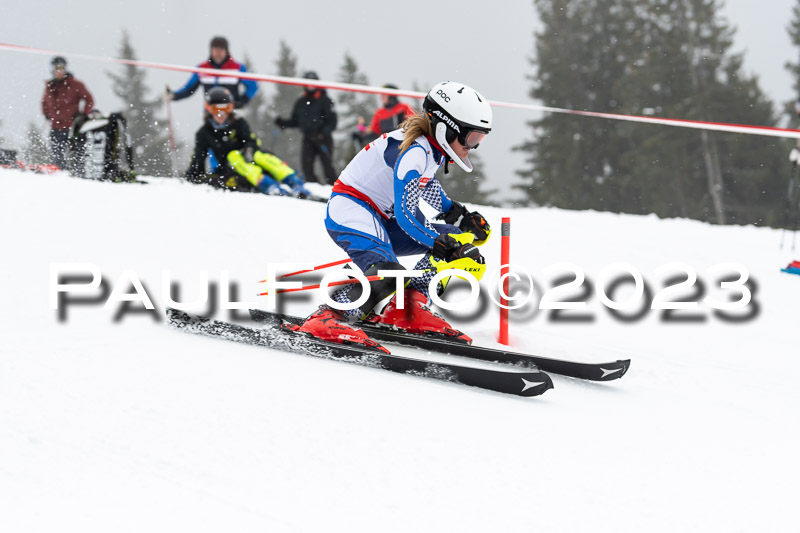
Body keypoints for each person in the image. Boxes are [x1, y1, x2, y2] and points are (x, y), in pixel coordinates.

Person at [288, 81, 493, 351]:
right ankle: (328, 316)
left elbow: (427, 186)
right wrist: (441, 243)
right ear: (445, 127)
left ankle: (408, 307)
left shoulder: (431, 151)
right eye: (471, 138)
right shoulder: (415, 152)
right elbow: (407, 215)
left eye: (480, 139)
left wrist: (459, 218)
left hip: (381, 217)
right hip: (352, 210)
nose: (473, 146)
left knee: (458, 240)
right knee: (389, 271)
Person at [185, 87, 311, 197]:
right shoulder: (205, 133)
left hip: (251, 159)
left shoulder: (238, 123)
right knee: (233, 156)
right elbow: (198, 157)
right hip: (231, 169)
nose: (221, 114)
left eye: (225, 109)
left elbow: (250, 140)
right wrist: (193, 175)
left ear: (231, 109)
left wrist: (249, 149)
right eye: (216, 110)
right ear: (209, 110)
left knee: (260, 155)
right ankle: (269, 186)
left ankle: (294, 182)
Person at [274, 71, 338, 185]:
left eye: (312, 83)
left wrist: (323, 133)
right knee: (306, 166)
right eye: (308, 83)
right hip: (308, 138)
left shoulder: (325, 100)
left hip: (323, 138)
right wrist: (283, 123)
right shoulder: (301, 102)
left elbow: (332, 121)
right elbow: (296, 121)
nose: (310, 86)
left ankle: (333, 188)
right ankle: (314, 187)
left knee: (328, 166)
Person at [167, 36, 258, 109]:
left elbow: (252, 86)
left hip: (231, 114)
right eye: (215, 50)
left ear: (226, 51)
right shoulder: (202, 69)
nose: (218, 53)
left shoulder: (237, 68)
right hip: (211, 114)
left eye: (221, 50)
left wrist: (242, 102)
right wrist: (174, 96)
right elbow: (189, 89)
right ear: (211, 50)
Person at [41, 56, 94, 171]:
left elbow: (89, 99)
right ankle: (59, 175)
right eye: (56, 69)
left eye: (61, 68)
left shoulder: (76, 85)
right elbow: (44, 102)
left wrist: (85, 115)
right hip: (56, 127)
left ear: (65, 69)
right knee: (57, 155)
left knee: (76, 155)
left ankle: (78, 175)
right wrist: (46, 114)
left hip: (73, 127)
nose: (59, 71)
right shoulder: (50, 86)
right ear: (52, 70)